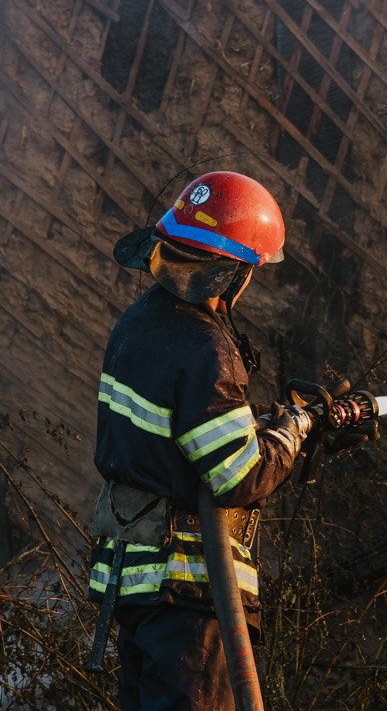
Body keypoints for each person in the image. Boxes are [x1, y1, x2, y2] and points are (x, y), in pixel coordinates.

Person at [86, 171, 313, 710]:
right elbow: (238, 474)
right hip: (184, 591)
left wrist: (258, 422)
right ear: (231, 273)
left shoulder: (137, 324)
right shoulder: (204, 345)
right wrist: (294, 431)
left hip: (135, 587)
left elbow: (180, 436)